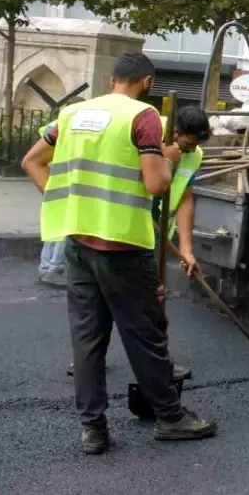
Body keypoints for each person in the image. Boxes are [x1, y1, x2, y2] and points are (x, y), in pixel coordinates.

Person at [21, 53, 216, 454]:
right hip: (125, 246)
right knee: (145, 335)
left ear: (112, 79)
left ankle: (93, 429)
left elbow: (32, 161)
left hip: (79, 243)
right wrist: (167, 160)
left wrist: (67, 204)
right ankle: (170, 417)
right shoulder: (144, 117)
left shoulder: (72, 114)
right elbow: (156, 184)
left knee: (87, 341)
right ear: (147, 82)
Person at [63, 103, 211, 381]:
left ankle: (156, 364)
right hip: (117, 229)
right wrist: (165, 159)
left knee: (152, 298)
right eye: (186, 145)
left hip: (150, 234)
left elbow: (185, 199)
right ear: (173, 132)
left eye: (194, 147)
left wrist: (187, 249)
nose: (189, 152)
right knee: (106, 300)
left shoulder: (193, 155)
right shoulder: (143, 130)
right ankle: (91, 361)